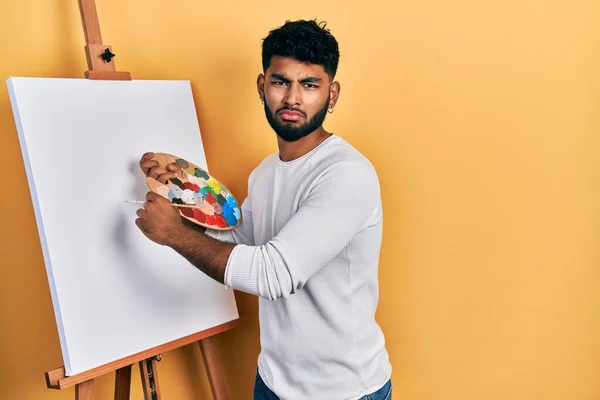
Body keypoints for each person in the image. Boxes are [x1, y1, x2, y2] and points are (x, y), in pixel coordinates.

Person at [135, 19, 392, 400]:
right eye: (280, 81)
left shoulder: (346, 175)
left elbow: (272, 274)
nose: (292, 98)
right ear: (262, 86)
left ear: (332, 94)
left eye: (309, 84)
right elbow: (242, 240)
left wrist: (173, 233)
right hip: (273, 381)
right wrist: (180, 191)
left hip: (343, 391)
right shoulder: (266, 173)